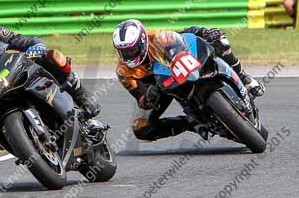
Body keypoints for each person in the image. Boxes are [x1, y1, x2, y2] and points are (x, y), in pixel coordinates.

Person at [0, 3, 100, 156]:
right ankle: (16, 141)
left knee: (53, 57)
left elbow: (23, 41)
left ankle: (82, 96)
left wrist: (35, 47)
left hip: (12, 74)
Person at [112, 19, 263, 142]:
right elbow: (140, 97)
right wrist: (148, 97)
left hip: (178, 68)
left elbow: (183, 36)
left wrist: (202, 31)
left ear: (142, 41)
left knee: (220, 41)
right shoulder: (124, 71)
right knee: (141, 129)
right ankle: (191, 124)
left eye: (131, 50)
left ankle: (245, 78)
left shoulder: (157, 37)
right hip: (160, 89)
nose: (129, 55)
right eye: (123, 52)